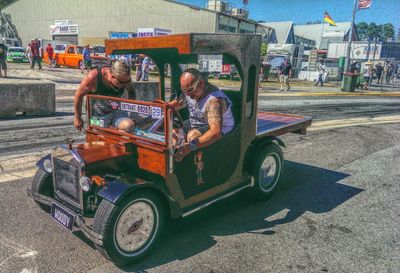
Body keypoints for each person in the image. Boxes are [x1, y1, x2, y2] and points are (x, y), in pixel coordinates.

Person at [170, 68, 235, 162]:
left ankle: (195, 164)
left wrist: (189, 147)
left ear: (201, 83)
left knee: (192, 137)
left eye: (191, 90)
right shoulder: (189, 91)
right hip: (198, 121)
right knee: (173, 133)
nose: (189, 95)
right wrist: (161, 108)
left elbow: (216, 132)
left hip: (220, 126)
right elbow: (179, 103)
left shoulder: (214, 101)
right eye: (185, 91)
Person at [74, 60, 135, 132]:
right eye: (120, 82)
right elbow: (79, 95)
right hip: (97, 115)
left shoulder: (124, 78)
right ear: (112, 76)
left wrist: (132, 111)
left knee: (129, 126)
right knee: (99, 138)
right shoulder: (94, 77)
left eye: (127, 82)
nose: (124, 85)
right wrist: (77, 118)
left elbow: (131, 92)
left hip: (116, 111)